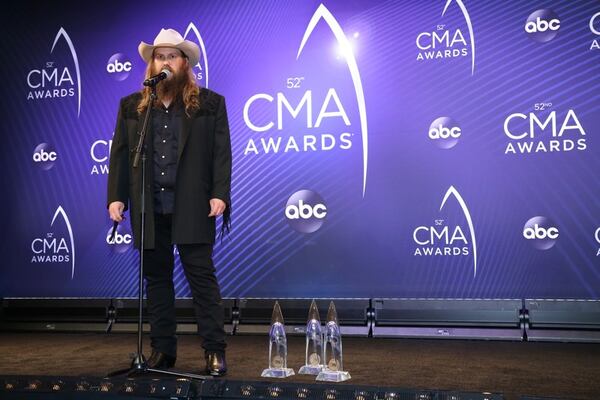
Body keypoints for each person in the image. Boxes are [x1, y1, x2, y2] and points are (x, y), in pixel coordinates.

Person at [107, 28, 231, 376]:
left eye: (171, 56)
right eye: (159, 56)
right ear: (152, 65)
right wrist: (117, 197)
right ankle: (162, 350)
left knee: (201, 278)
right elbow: (119, 155)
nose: (165, 62)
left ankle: (215, 351)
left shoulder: (209, 103)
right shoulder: (133, 106)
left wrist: (220, 193)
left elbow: (221, 154)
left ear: (185, 63)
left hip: (192, 202)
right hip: (150, 204)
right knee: (157, 280)